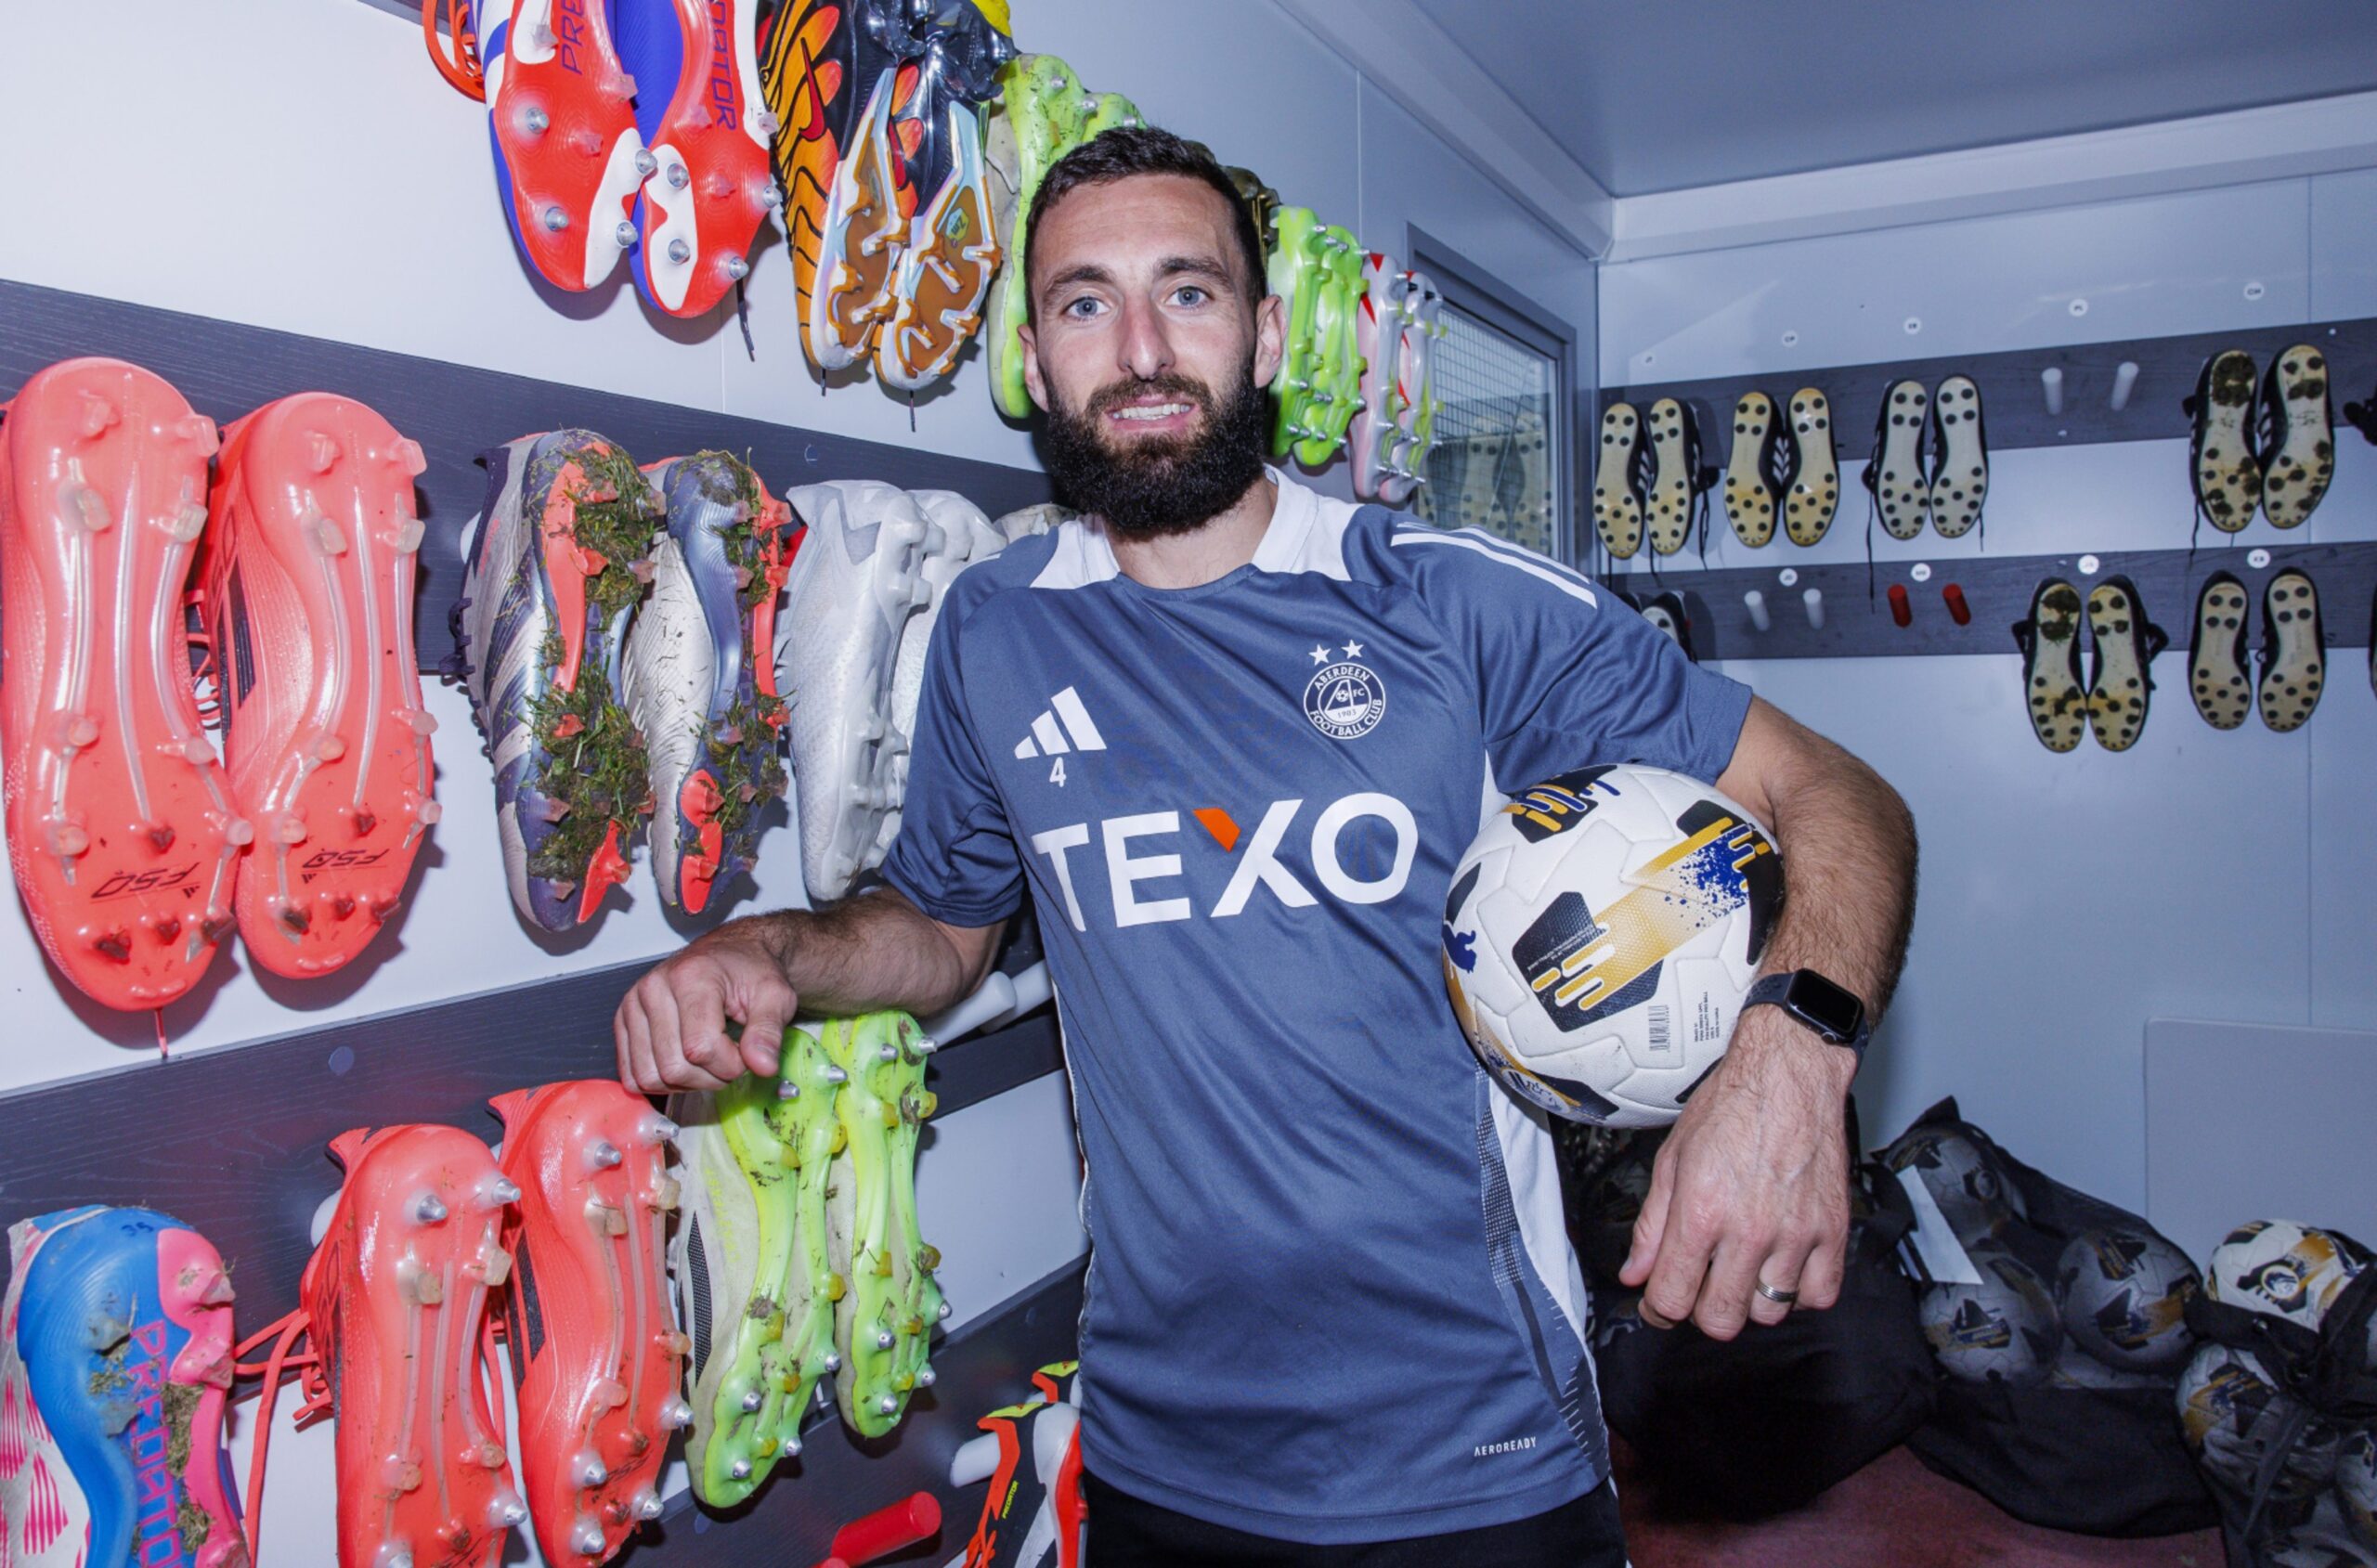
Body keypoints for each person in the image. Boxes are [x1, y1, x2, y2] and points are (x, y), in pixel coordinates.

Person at [616, 125, 1918, 1567]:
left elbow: (1838, 795)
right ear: (1040, 362)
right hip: (1163, 1450)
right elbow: (943, 925)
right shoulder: (1000, 626)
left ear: (1267, 332)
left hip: (1474, 1453)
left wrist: (1791, 1056)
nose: (1142, 345)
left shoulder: (1441, 601)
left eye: (1189, 291)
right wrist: (772, 951)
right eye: (1084, 301)